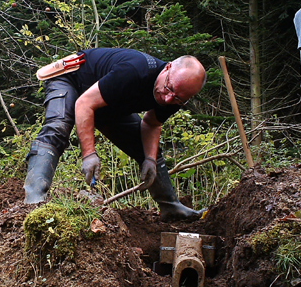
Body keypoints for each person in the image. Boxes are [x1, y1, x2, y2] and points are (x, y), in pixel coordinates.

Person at [24, 47, 207, 221]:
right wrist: (89, 154)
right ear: (168, 68)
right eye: (169, 88)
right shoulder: (134, 70)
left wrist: (150, 159)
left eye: (177, 98)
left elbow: (151, 123)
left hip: (107, 103)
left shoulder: (175, 97)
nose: (168, 98)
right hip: (72, 80)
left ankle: (171, 207)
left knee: (146, 149)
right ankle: (33, 202)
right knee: (58, 129)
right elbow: (84, 104)